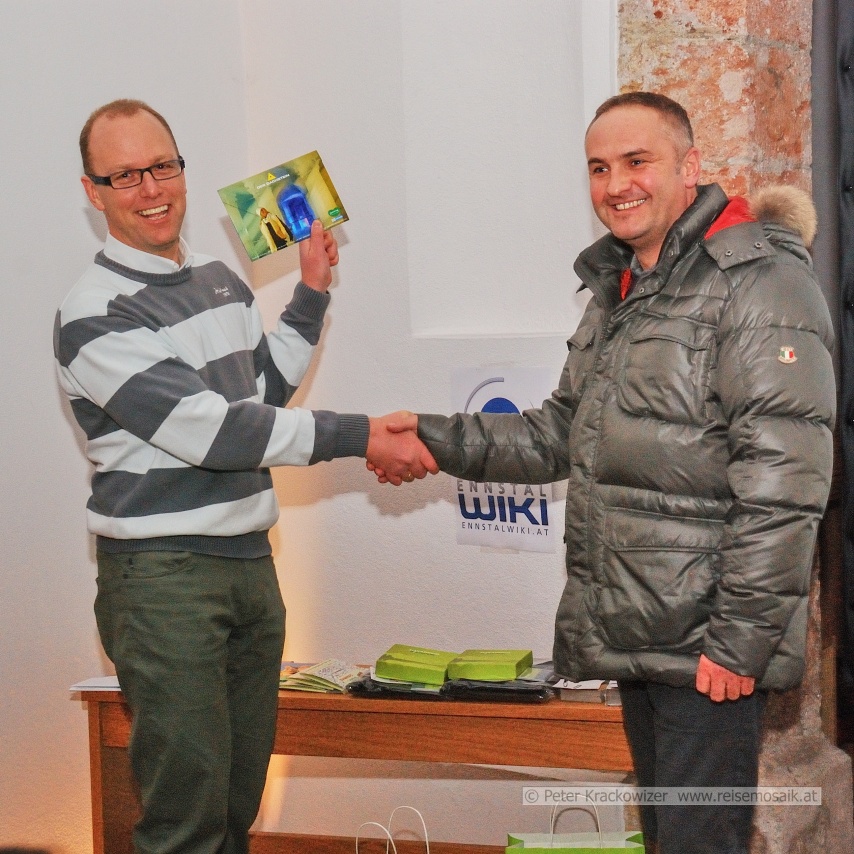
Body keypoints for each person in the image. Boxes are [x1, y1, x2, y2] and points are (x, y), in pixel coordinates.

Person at [372, 92, 835, 854]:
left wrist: (741, 639)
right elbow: (557, 435)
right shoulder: (620, 289)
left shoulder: (760, 283)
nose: (616, 184)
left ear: (689, 166)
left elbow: (786, 482)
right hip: (638, 634)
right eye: (598, 167)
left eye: (636, 161)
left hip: (708, 650)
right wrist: (430, 437)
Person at [54, 99, 436, 854]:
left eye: (162, 166)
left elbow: (258, 397)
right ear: (92, 191)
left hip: (249, 568)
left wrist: (312, 292)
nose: (151, 188)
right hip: (165, 583)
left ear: (182, 169)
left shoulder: (218, 278)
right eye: (124, 175)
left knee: (235, 808)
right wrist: (359, 434)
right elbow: (213, 431)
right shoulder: (93, 312)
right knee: (186, 823)